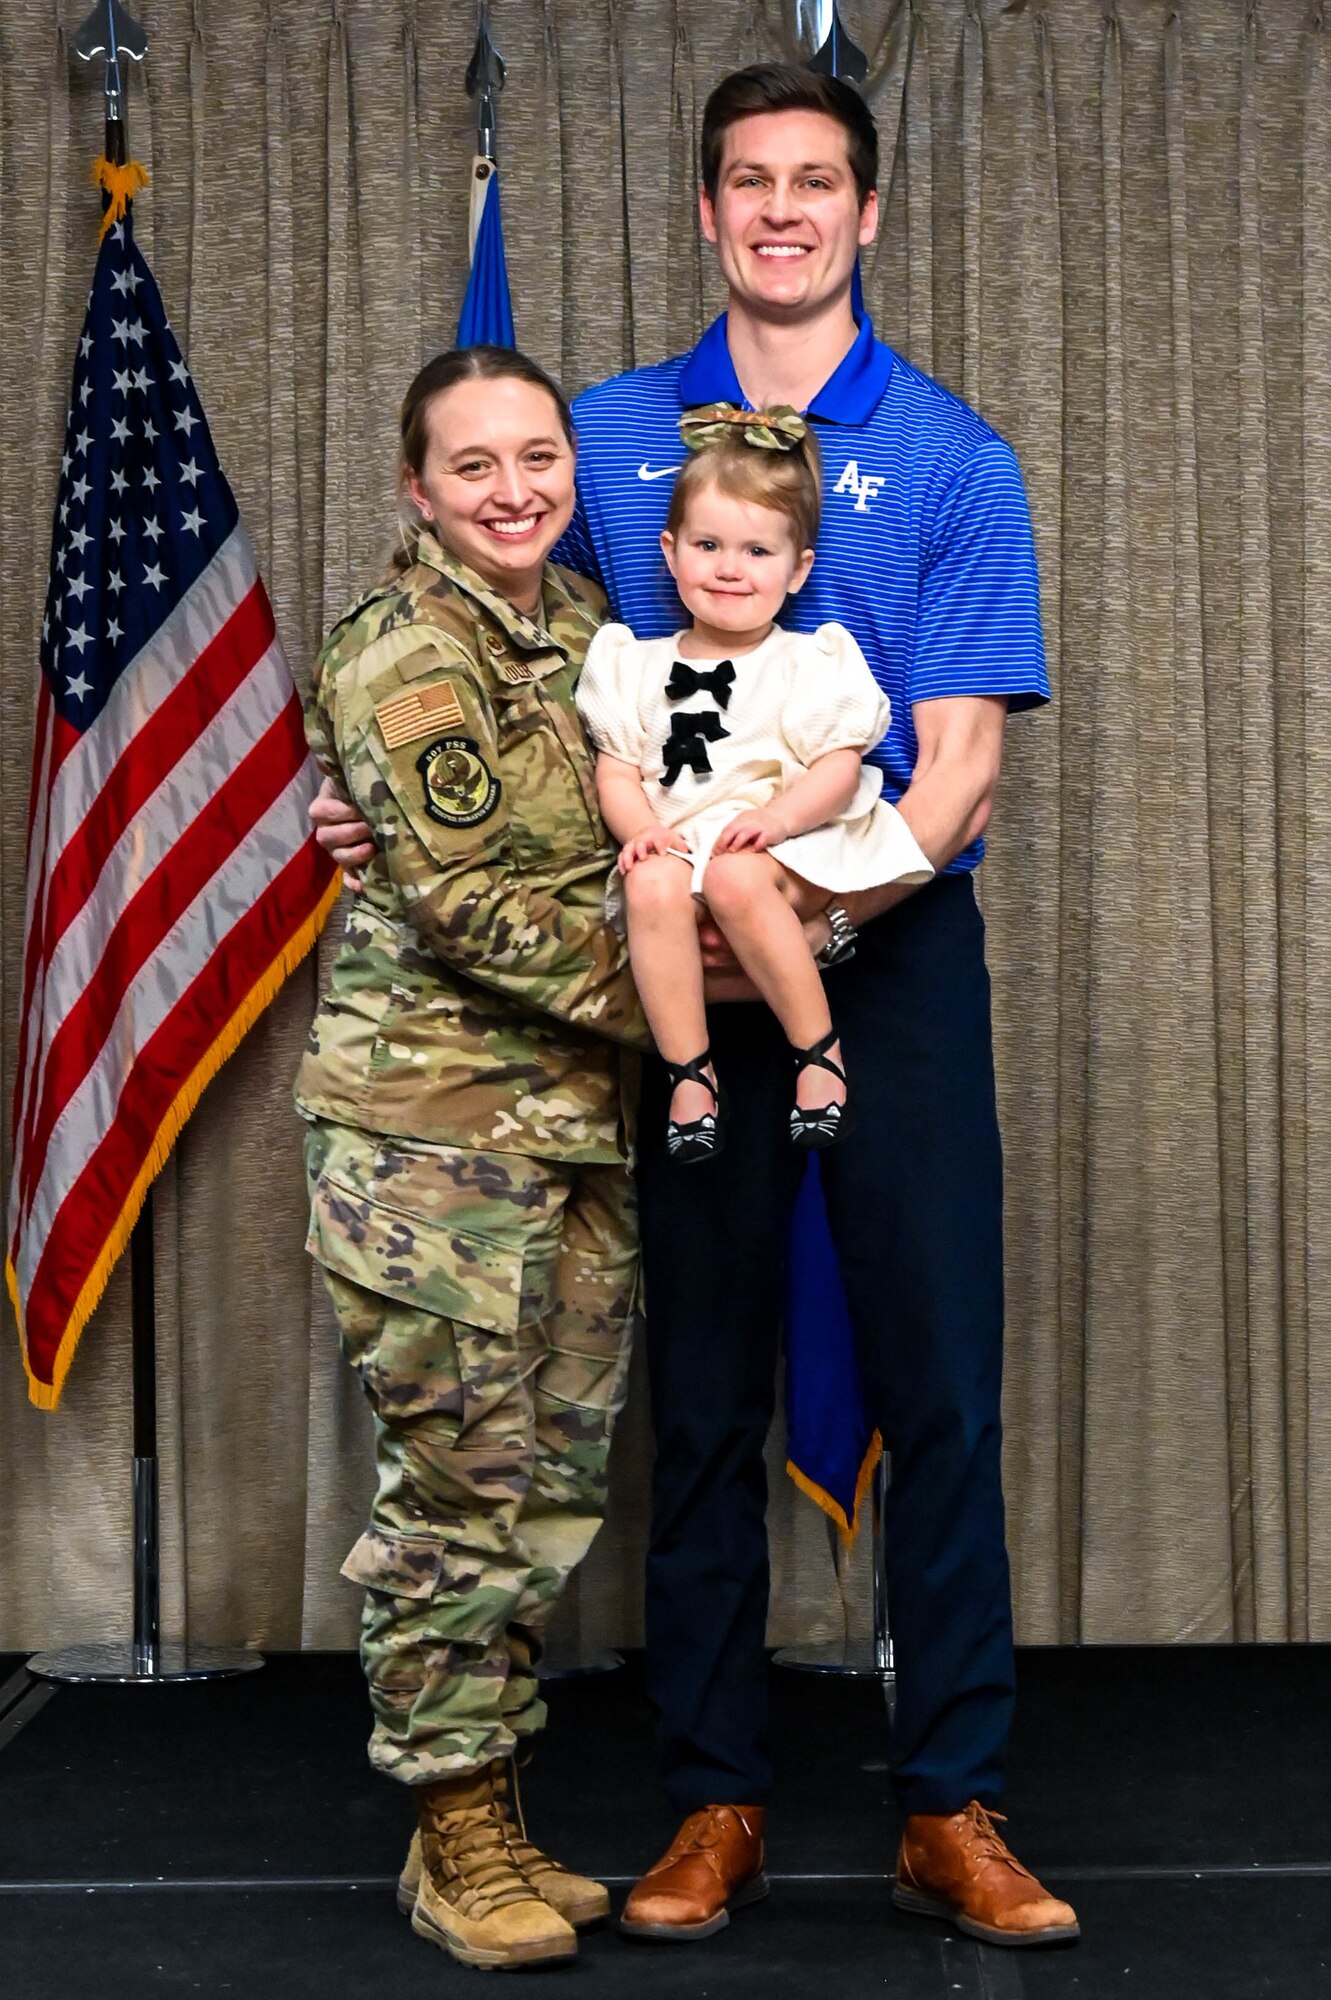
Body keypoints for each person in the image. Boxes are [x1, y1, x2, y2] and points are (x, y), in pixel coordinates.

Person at [312, 61, 1079, 1957]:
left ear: (868, 213)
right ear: (709, 209)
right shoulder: (607, 434)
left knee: (941, 1390)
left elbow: (960, 769)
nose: (783, 211)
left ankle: (951, 1800)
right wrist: (357, 797)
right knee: (704, 1400)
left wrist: (788, 918)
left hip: (876, 963)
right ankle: (711, 1794)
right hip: (664, 982)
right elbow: (513, 679)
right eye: (749, 181)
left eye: (817, 181)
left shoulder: (963, 458)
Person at [296, 344, 649, 1973]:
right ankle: (452, 1838)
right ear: (416, 488)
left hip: (570, 1131)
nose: (515, 489)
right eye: (475, 465)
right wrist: (701, 992)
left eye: (539, 457)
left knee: (547, 1493)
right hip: (427, 1147)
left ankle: (498, 1809)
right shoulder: (404, 654)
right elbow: (468, 901)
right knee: (458, 1493)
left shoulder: (586, 632)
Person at [577, 403, 931, 1160]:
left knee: (737, 878)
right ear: (670, 553)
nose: (730, 568)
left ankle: (817, 1048)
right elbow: (617, 769)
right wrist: (640, 831)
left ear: (797, 567)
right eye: (707, 545)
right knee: (647, 885)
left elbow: (840, 767)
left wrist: (776, 821)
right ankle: (689, 1074)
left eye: (757, 551)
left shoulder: (809, 663)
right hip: (680, 843)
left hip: (777, 845)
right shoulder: (631, 665)